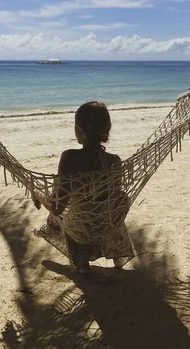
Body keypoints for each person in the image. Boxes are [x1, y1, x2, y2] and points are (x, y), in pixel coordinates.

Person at [33, 101, 134, 273]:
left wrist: (36, 191)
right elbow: (113, 198)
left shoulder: (69, 158)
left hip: (81, 228)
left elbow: (57, 208)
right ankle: (117, 253)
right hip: (108, 225)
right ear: (107, 129)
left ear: (79, 130)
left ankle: (81, 262)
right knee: (106, 207)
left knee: (72, 214)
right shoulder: (114, 161)